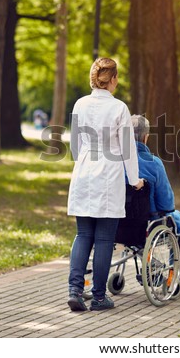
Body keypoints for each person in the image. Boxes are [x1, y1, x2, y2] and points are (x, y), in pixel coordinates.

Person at [67, 57, 144, 312]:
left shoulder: (80, 104)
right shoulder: (119, 108)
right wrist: (135, 180)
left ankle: (75, 291)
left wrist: (85, 163)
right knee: (103, 239)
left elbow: (76, 146)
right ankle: (99, 297)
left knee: (82, 234)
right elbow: (127, 150)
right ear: (113, 80)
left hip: (84, 173)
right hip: (108, 176)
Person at [130, 114, 180, 287]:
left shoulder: (116, 161)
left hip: (119, 222)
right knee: (179, 217)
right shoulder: (154, 163)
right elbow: (167, 204)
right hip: (148, 222)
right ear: (146, 137)